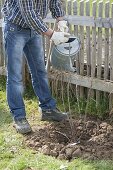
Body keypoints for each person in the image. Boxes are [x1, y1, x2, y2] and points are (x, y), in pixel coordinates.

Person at [2, 0, 70, 134]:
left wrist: (61, 20)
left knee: (40, 72)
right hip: (15, 29)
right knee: (15, 76)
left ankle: (48, 109)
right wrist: (52, 34)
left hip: (34, 30)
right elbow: (29, 13)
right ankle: (19, 117)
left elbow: (54, 2)